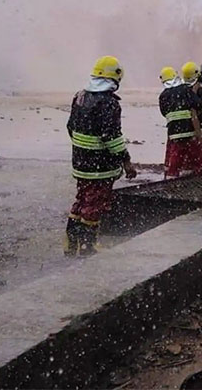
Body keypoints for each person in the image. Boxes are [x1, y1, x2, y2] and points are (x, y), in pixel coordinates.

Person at [66, 55, 137, 256]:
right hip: (100, 167)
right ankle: (88, 247)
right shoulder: (108, 103)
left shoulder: (79, 96)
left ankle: (70, 244)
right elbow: (111, 137)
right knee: (94, 204)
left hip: (80, 163)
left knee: (80, 201)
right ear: (114, 80)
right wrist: (126, 161)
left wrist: (82, 151)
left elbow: (70, 127)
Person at [158, 65, 202, 178]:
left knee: (176, 155)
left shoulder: (163, 95)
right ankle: (200, 177)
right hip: (188, 129)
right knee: (195, 154)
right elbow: (198, 104)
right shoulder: (185, 90)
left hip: (174, 131)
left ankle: (172, 176)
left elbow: (164, 112)